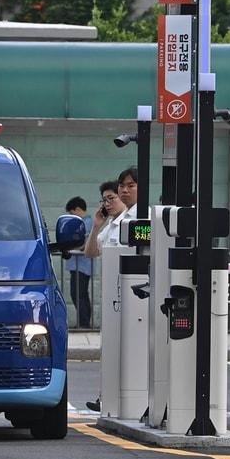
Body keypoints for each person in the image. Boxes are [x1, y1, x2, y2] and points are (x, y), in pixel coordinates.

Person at [82, 169, 138, 412]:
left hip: (135, 298)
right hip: (114, 298)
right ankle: (108, 398)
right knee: (111, 349)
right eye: (120, 188)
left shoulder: (139, 219)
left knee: (129, 350)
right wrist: (96, 226)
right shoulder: (113, 224)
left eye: (129, 186)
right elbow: (91, 252)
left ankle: (124, 399)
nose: (123, 191)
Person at [63, 197, 93, 329]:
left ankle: (84, 323)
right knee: (81, 294)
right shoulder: (86, 222)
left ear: (78, 210)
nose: (71, 216)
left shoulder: (85, 223)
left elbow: (82, 244)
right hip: (80, 265)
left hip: (81, 265)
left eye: (71, 213)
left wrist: (68, 247)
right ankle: (84, 322)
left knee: (78, 294)